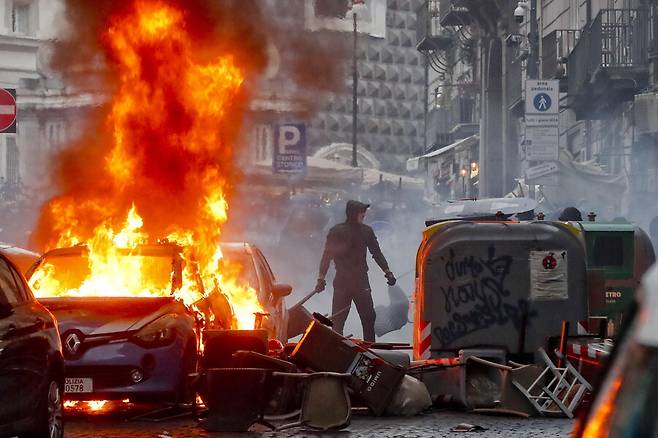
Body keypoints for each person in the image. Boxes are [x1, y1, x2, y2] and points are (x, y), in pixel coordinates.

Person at [314, 200, 396, 342]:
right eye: (362, 212)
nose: (364, 215)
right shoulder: (357, 231)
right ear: (355, 214)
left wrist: (387, 271)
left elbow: (376, 253)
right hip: (352, 282)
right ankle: (361, 348)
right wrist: (320, 278)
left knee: (354, 319)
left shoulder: (352, 231)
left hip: (350, 282)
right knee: (356, 319)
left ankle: (352, 348)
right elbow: (327, 256)